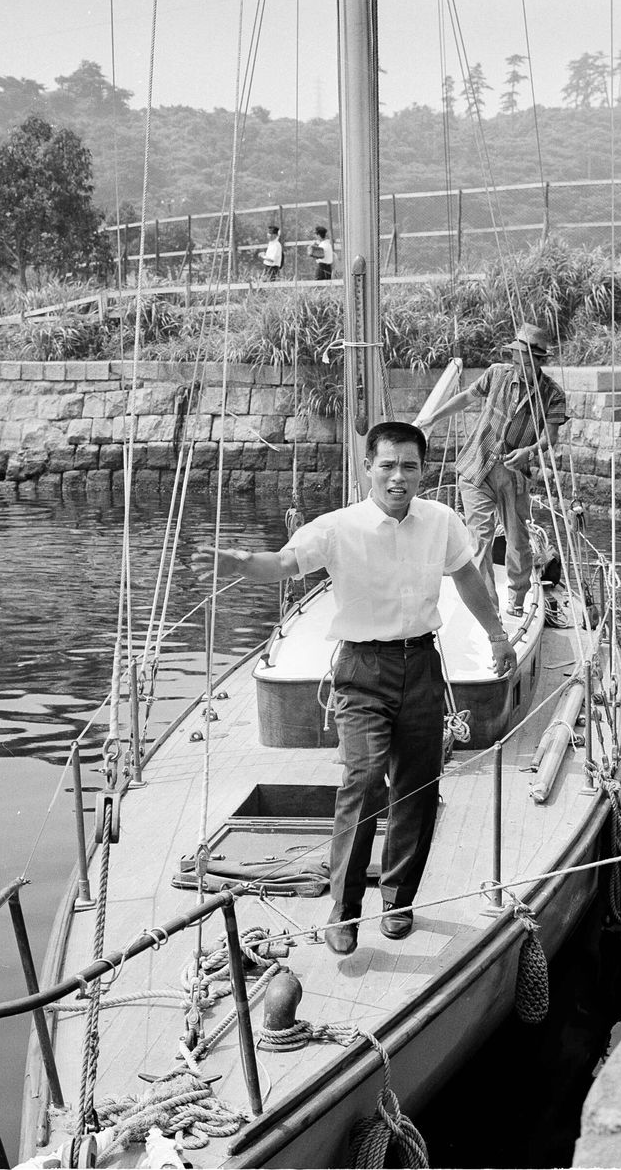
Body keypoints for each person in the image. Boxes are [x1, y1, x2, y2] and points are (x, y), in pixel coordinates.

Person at [197, 421, 517, 956]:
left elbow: (467, 579)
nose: (398, 477)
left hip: (422, 666)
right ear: (367, 467)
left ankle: (398, 902)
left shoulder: (441, 521)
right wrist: (241, 565)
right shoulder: (337, 527)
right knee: (365, 778)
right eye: (387, 465)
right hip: (361, 670)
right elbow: (283, 564)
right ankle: (344, 910)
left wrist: (499, 635)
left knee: (417, 786)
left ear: (423, 471)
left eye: (409, 466)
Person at [417, 322, 566, 617]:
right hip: (476, 466)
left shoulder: (553, 394)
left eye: (521, 358)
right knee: (480, 540)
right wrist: (434, 417)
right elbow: (466, 398)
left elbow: (550, 438)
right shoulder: (496, 373)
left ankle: (517, 597)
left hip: (514, 474)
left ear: (536, 360)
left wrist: (529, 451)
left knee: (518, 539)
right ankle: (490, 608)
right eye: (514, 356)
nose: (515, 362)